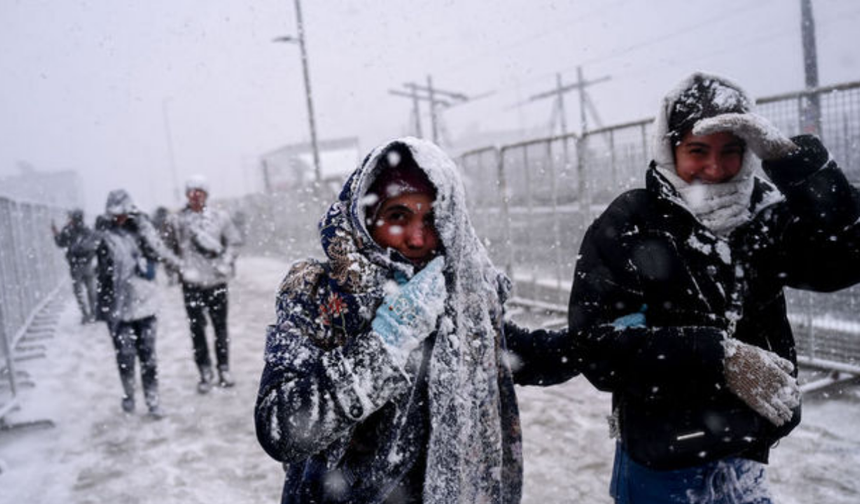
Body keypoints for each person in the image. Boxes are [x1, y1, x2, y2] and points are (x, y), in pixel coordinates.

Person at [567, 71, 860, 503]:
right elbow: (597, 348)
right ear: (670, 148)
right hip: (659, 462)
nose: (715, 168)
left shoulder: (759, 214)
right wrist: (716, 355)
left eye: (732, 151)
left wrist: (795, 163)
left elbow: (844, 257)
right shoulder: (631, 222)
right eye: (698, 150)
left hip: (746, 452)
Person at [254, 137, 579, 503]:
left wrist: (594, 342)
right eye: (398, 217)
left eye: (432, 219)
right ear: (365, 217)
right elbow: (281, 428)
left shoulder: (455, 292)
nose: (417, 238)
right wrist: (386, 344)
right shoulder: (317, 294)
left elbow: (508, 352)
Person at [95, 189, 181, 417]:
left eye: (123, 213)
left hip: (145, 304)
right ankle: (129, 395)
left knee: (148, 357)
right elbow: (104, 275)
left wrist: (143, 227)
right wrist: (106, 308)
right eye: (115, 214)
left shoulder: (142, 231)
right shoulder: (104, 236)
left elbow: (159, 252)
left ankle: (153, 401)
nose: (119, 218)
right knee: (124, 356)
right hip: (119, 308)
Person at [172, 175, 242, 393]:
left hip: (216, 281)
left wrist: (226, 262)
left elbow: (234, 242)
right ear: (186, 195)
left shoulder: (220, 218)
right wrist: (180, 267)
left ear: (206, 194)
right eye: (191, 192)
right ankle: (204, 371)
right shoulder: (177, 221)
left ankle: (224, 368)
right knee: (197, 330)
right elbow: (166, 248)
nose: (195, 196)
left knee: (220, 328)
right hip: (191, 284)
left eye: (199, 191)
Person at [52, 209, 98, 323]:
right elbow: (94, 245)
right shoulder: (87, 230)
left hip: (75, 266)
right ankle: (94, 312)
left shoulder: (68, 230)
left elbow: (60, 243)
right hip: (87, 264)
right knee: (91, 289)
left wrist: (55, 232)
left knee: (78, 291)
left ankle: (85, 314)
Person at [152, 206, 179, 284]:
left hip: (167, 246)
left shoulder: (163, 223)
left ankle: (171, 277)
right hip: (167, 247)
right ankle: (171, 277)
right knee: (169, 264)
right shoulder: (167, 223)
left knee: (169, 264)